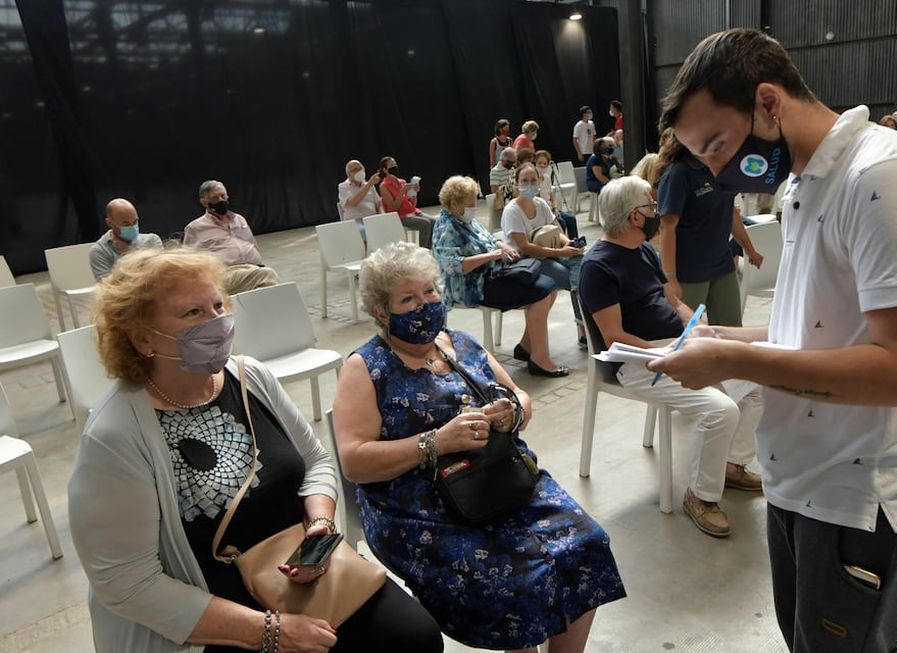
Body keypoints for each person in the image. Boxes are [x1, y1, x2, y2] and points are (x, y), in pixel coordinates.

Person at [656, 28, 897, 650]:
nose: (714, 168)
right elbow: (819, 329)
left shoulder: (885, 179)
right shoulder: (804, 185)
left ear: (768, 102)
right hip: (800, 474)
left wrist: (733, 359)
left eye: (717, 143)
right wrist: (721, 334)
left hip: (856, 494)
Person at [68, 247, 443, 653]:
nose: (217, 322)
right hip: (209, 601)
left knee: (415, 638)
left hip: (298, 568)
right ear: (142, 338)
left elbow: (316, 461)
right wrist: (269, 631)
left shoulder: (250, 377)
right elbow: (127, 583)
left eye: (218, 305)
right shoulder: (114, 435)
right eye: (193, 313)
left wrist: (319, 525)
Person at [332, 241, 626, 652]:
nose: (425, 304)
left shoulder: (461, 344)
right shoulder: (366, 368)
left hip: (497, 475)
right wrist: (436, 442)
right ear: (381, 312)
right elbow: (355, 463)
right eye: (408, 298)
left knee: (586, 544)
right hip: (417, 504)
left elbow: (520, 397)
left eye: (430, 292)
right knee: (514, 578)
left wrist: (512, 413)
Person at [578, 176, 764, 538]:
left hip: (676, 344)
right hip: (636, 361)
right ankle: (701, 496)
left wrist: (697, 326)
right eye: (651, 205)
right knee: (721, 410)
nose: (656, 212)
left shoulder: (643, 250)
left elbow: (671, 299)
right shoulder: (597, 266)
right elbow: (614, 336)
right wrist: (670, 349)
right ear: (635, 216)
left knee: (756, 381)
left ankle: (731, 465)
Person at [432, 175, 568, 375]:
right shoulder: (447, 227)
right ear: (454, 203)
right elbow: (453, 267)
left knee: (549, 287)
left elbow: (488, 239)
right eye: (470, 204)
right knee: (541, 291)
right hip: (472, 285)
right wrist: (492, 255)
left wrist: (503, 247)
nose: (473, 208)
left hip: (493, 272)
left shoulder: (465, 219)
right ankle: (540, 359)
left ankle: (527, 346)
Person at [657, 129, 763, 325]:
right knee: (686, 333)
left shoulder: (723, 169)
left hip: (721, 264)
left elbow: (730, 212)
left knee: (732, 330)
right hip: (689, 270)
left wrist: (749, 249)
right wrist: (670, 278)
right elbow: (667, 228)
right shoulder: (679, 173)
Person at [502, 163, 585, 357]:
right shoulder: (512, 210)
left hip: (549, 252)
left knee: (584, 263)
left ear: (539, 182)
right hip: (526, 261)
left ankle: (582, 326)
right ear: (516, 184)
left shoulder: (541, 204)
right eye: (524, 181)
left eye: (533, 180)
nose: (529, 185)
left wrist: (569, 244)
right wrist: (562, 253)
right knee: (569, 277)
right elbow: (525, 247)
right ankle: (584, 326)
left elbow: (557, 229)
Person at [183, 180, 280, 295]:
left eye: (223, 196)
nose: (221, 200)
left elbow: (251, 243)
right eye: (215, 198)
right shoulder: (195, 228)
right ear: (204, 202)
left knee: (262, 282)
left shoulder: (239, 219)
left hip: (251, 269)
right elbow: (188, 261)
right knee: (266, 275)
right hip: (224, 274)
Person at [89, 198, 163, 280]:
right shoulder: (99, 251)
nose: (133, 227)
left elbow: (160, 276)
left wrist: (130, 252)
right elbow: (107, 288)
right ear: (110, 223)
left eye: (135, 222)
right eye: (126, 224)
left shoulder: (152, 240)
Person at [377, 156, 435, 248]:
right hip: (399, 215)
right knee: (425, 224)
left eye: (395, 164)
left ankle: (430, 249)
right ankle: (422, 251)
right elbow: (394, 207)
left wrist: (414, 193)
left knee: (433, 221)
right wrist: (401, 193)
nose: (395, 166)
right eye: (391, 165)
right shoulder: (383, 186)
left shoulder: (402, 182)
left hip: (412, 212)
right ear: (385, 169)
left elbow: (413, 204)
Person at [535, 149, 579, 238]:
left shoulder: (547, 178)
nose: (542, 166)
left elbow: (552, 196)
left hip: (552, 209)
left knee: (571, 218)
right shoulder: (532, 180)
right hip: (543, 211)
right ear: (535, 163)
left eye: (544, 164)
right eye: (539, 163)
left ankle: (575, 246)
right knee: (561, 222)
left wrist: (555, 208)